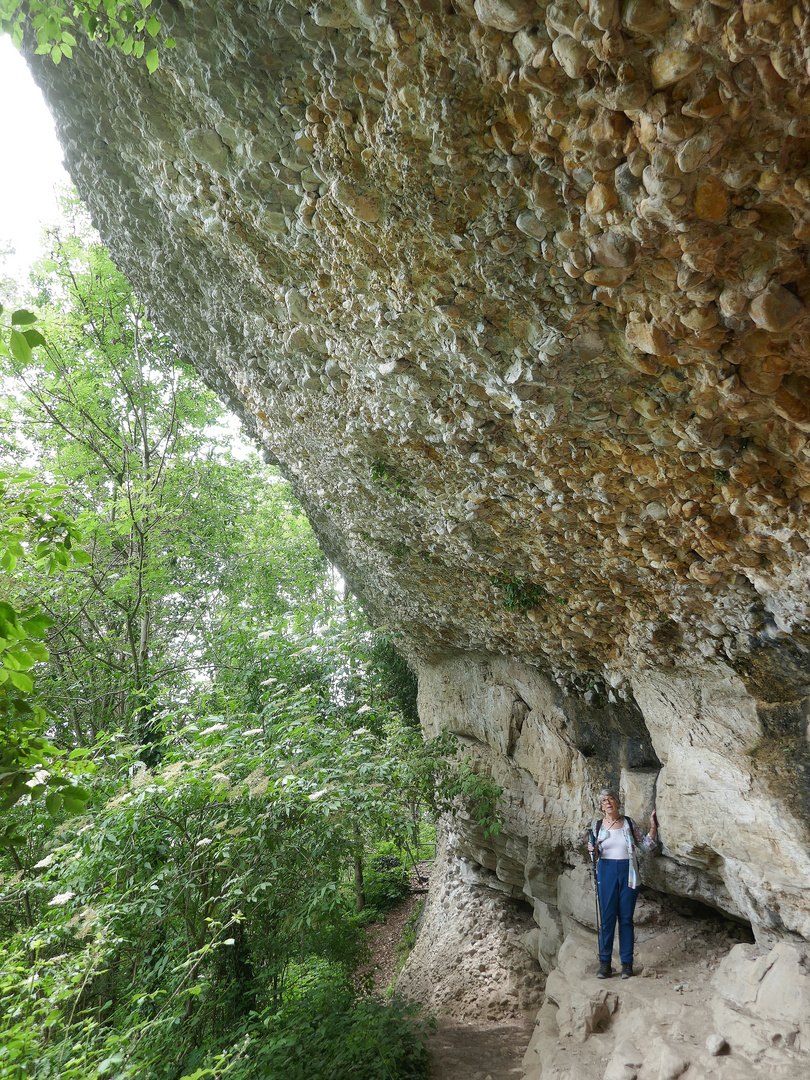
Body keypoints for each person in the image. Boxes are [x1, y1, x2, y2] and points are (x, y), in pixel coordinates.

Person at [587, 788, 658, 979]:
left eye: (611, 799)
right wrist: (591, 850)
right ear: (601, 806)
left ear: (617, 802)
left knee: (626, 919)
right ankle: (605, 964)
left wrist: (653, 827)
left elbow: (645, 846)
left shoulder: (627, 822)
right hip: (606, 871)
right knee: (607, 919)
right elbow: (593, 855)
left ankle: (627, 964)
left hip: (628, 871)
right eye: (604, 801)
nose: (608, 802)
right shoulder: (597, 827)